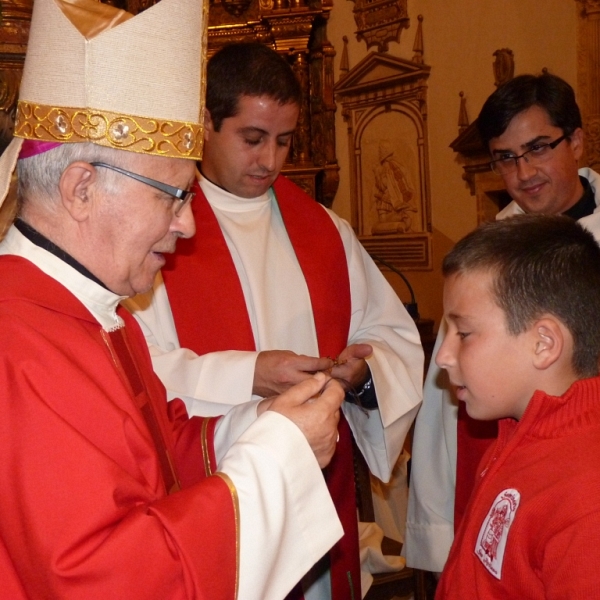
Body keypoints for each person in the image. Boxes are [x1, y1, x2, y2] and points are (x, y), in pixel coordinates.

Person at [0, 0, 347, 598]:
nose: (187, 225)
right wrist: (278, 458)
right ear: (82, 188)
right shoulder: (19, 343)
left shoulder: (101, 316)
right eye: (173, 195)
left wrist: (254, 426)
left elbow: (158, 457)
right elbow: (103, 580)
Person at [125, 42, 424, 600]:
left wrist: (361, 379)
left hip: (318, 484)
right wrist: (253, 374)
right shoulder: (157, 226)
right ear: (206, 122)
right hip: (216, 494)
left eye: (284, 141)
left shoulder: (325, 230)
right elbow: (135, 372)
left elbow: (391, 338)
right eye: (253, 139)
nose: (270, 161)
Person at [405, 72, 600, 573]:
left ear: (577, 141)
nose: (524, 171)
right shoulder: (489, 252)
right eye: (506, 157)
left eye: (538, 148)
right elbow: (444, 401)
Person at [434, 214, 600, 598]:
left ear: (543, 343)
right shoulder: (515, 436)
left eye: (463, 333)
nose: (443, 355)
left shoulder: (586, 497)